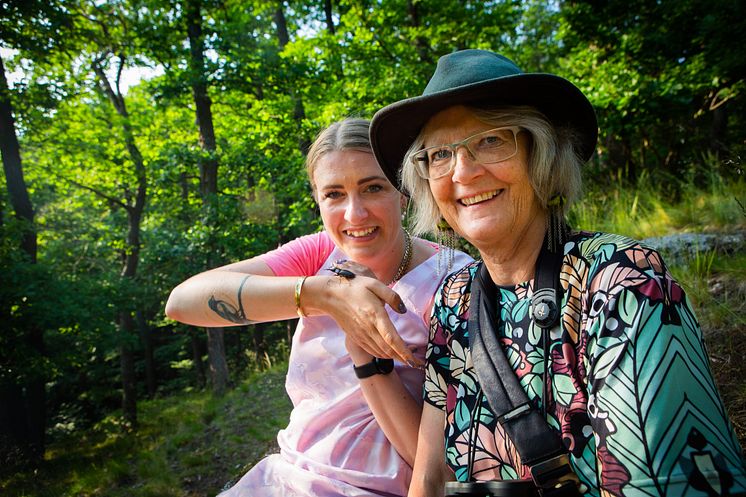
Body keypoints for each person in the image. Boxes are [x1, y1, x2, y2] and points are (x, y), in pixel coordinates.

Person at [368, 50, 746, 497]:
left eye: (491, 140)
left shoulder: (621, 282)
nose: (463, 172)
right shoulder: (453, 300)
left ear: (542, 154)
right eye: (440, 154)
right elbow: (429, 478)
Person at [165, 117, 472, 497]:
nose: (354, 214)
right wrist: (321, 294)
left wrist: (369, 358)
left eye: (373, 188)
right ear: (318, 200)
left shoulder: (455, 281)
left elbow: (440, 468)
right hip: (284, 480)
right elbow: (183, 301)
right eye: (334, 194)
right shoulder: (317, 255)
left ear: (403, 192)